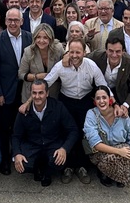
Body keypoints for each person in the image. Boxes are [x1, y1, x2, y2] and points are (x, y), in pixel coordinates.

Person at [43, 39, 108, 184]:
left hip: (85, 100)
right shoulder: (61, 66)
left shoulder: (91, 65)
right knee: (67, 133)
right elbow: (46, 82)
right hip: (66, 101)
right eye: (71, 52)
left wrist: (112, 103)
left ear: (84, 53)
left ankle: (82, 166)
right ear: (67, 52)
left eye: (78, 52)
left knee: (83, 133)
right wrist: (30, 101)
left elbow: (102, 84)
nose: (74, 55)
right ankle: (67, 167)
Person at [0, 7, 32, 174]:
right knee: (5, 128)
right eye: (10, 20)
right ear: (5, 21)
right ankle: (5, 160)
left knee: (24, 127)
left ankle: (22, 158)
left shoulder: (29, 37)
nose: (13, 23)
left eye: (16, 20)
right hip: (5, 94)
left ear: (21, 21)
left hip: (25, 92)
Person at [12, 79, 80, 187]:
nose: (37, 96)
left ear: (47, 93)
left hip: (53, 144)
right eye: (34, 93)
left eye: (41, 93)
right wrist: (17, 154)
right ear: (31, 94)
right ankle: (37, 167)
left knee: (58, 162)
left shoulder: (58, 107)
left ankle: (47, 171)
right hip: (32, 145)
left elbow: (73, 130)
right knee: (23, 165)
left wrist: (64, 149)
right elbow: (16, 136)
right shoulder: (24, 110)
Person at [83, 85, 130, 187]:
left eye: (104, 97)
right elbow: (95, 144)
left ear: (110, 99)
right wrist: (119, 152)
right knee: (112, 158)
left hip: (120, 146)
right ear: (94, 100)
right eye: (98, 98)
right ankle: (114, 175)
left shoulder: (121, 114)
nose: (101, 101)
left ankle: (113, 174)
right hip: (100, 151)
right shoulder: (91, 114)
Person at [89, 37, 130, 113]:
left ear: (123, 51)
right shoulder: (97, 56)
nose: (114, 55)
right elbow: (82, 59)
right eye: (111, 51)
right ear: (106, 50)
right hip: (98, 93)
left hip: (120, 95)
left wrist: (126, 105)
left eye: (117, 51)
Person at [18, 23, 64, 102]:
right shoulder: (28, 51)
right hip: (32, 95)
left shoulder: (58, 48)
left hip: (54, 93)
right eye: (38, 37)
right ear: (34, 38)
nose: (41, 41)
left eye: (45, 38)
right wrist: (37, 76)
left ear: (50, 38)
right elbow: (21, 74)